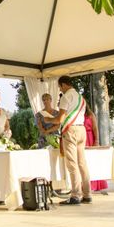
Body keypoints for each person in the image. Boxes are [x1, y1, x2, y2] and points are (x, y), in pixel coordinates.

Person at [45, 75, 91, 205]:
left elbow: (59, 119)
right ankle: (87, 194)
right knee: (82, 163)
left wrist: (48, 120)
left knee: (72, 164)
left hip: (70, 131)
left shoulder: (66, 97)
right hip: (81, 130)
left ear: (63, 85)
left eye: (60, 87)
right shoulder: (81, 98)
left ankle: (76, 195)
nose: (60, 90)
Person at [84, 104, 108, 193]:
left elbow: (95, 128)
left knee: (93, 161)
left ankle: (97, 184)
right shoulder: (78, 115)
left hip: (90, 138)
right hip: (82, 139)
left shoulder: (90, 114)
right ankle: (87, 184)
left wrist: (96, 141)